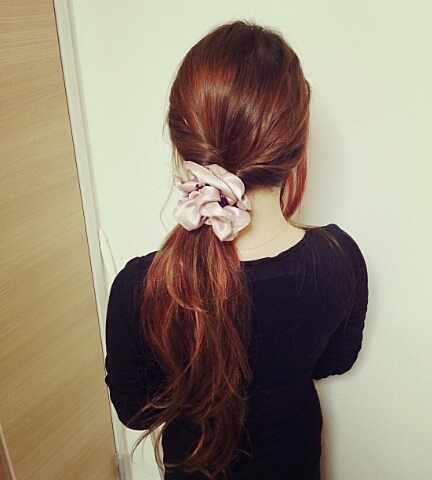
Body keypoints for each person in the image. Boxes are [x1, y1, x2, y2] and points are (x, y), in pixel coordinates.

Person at [105, 21, 368, 480]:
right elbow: (335, 360)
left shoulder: (140, 288)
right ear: (296, 144)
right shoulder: (340, 258)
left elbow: (137, 413)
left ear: (182, 147)